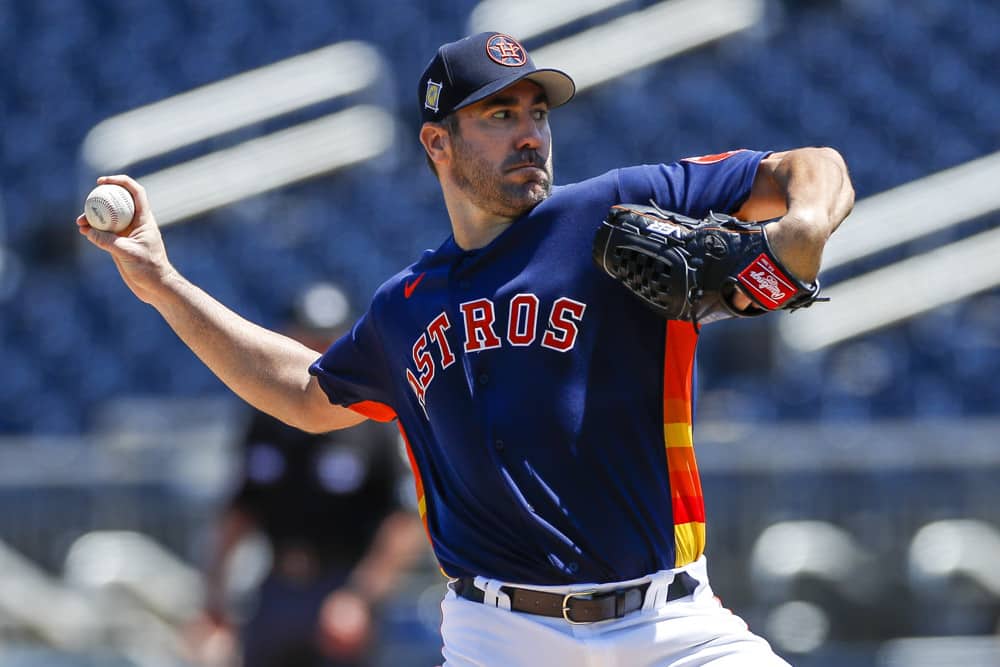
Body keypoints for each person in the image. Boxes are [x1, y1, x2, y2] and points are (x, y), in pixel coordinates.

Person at [78, 31, 854, 667]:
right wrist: (161, 281)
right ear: (437, 142)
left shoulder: (612, 208)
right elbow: (302, 393)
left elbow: (806, 167)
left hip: (669, 624)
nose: (529, 132)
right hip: (502, 636)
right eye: (499, 114)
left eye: (537, 113)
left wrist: (805, 226)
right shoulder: (406, 307)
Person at [188, 282, 427, 667]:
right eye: (306, 337)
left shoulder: (371, 417)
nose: (315, 351)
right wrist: (213, 599)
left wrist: (360, 596)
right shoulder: (266, 419)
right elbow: (239, 510)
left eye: (325, 340)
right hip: (275, 588)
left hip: (340, 587)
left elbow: (402, 522)